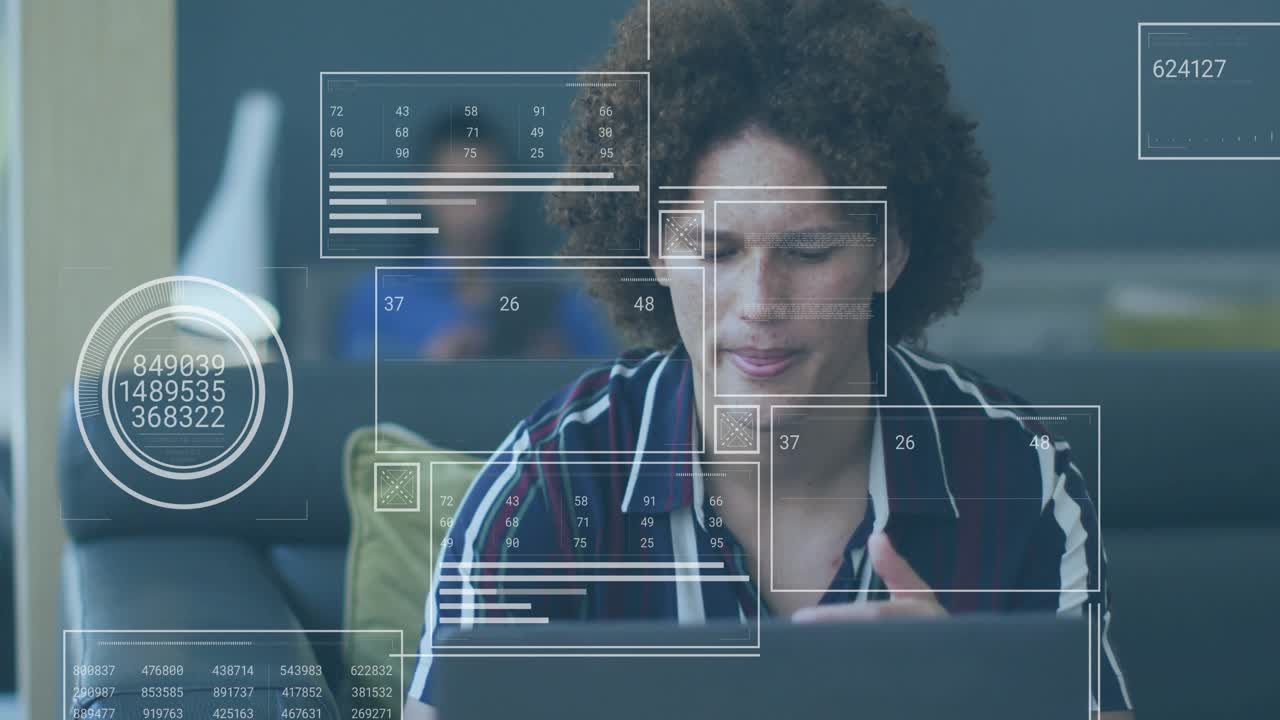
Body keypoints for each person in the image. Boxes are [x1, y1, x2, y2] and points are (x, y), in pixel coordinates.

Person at [405, 0, 1133, 717]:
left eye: (808, 251)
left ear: (890, 251)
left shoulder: (1014, 471)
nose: (759, 303)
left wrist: (967, 699)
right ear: (655, 250)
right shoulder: (550, 485)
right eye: (715, 251)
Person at [336, 112, 614, 361]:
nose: (475, 205)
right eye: (459, 188)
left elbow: (601, 377)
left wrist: (553, 367)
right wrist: (429, 366)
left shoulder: (555, 296)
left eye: (487, 187)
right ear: (422, 191)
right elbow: (354, 393)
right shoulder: (377, 297)